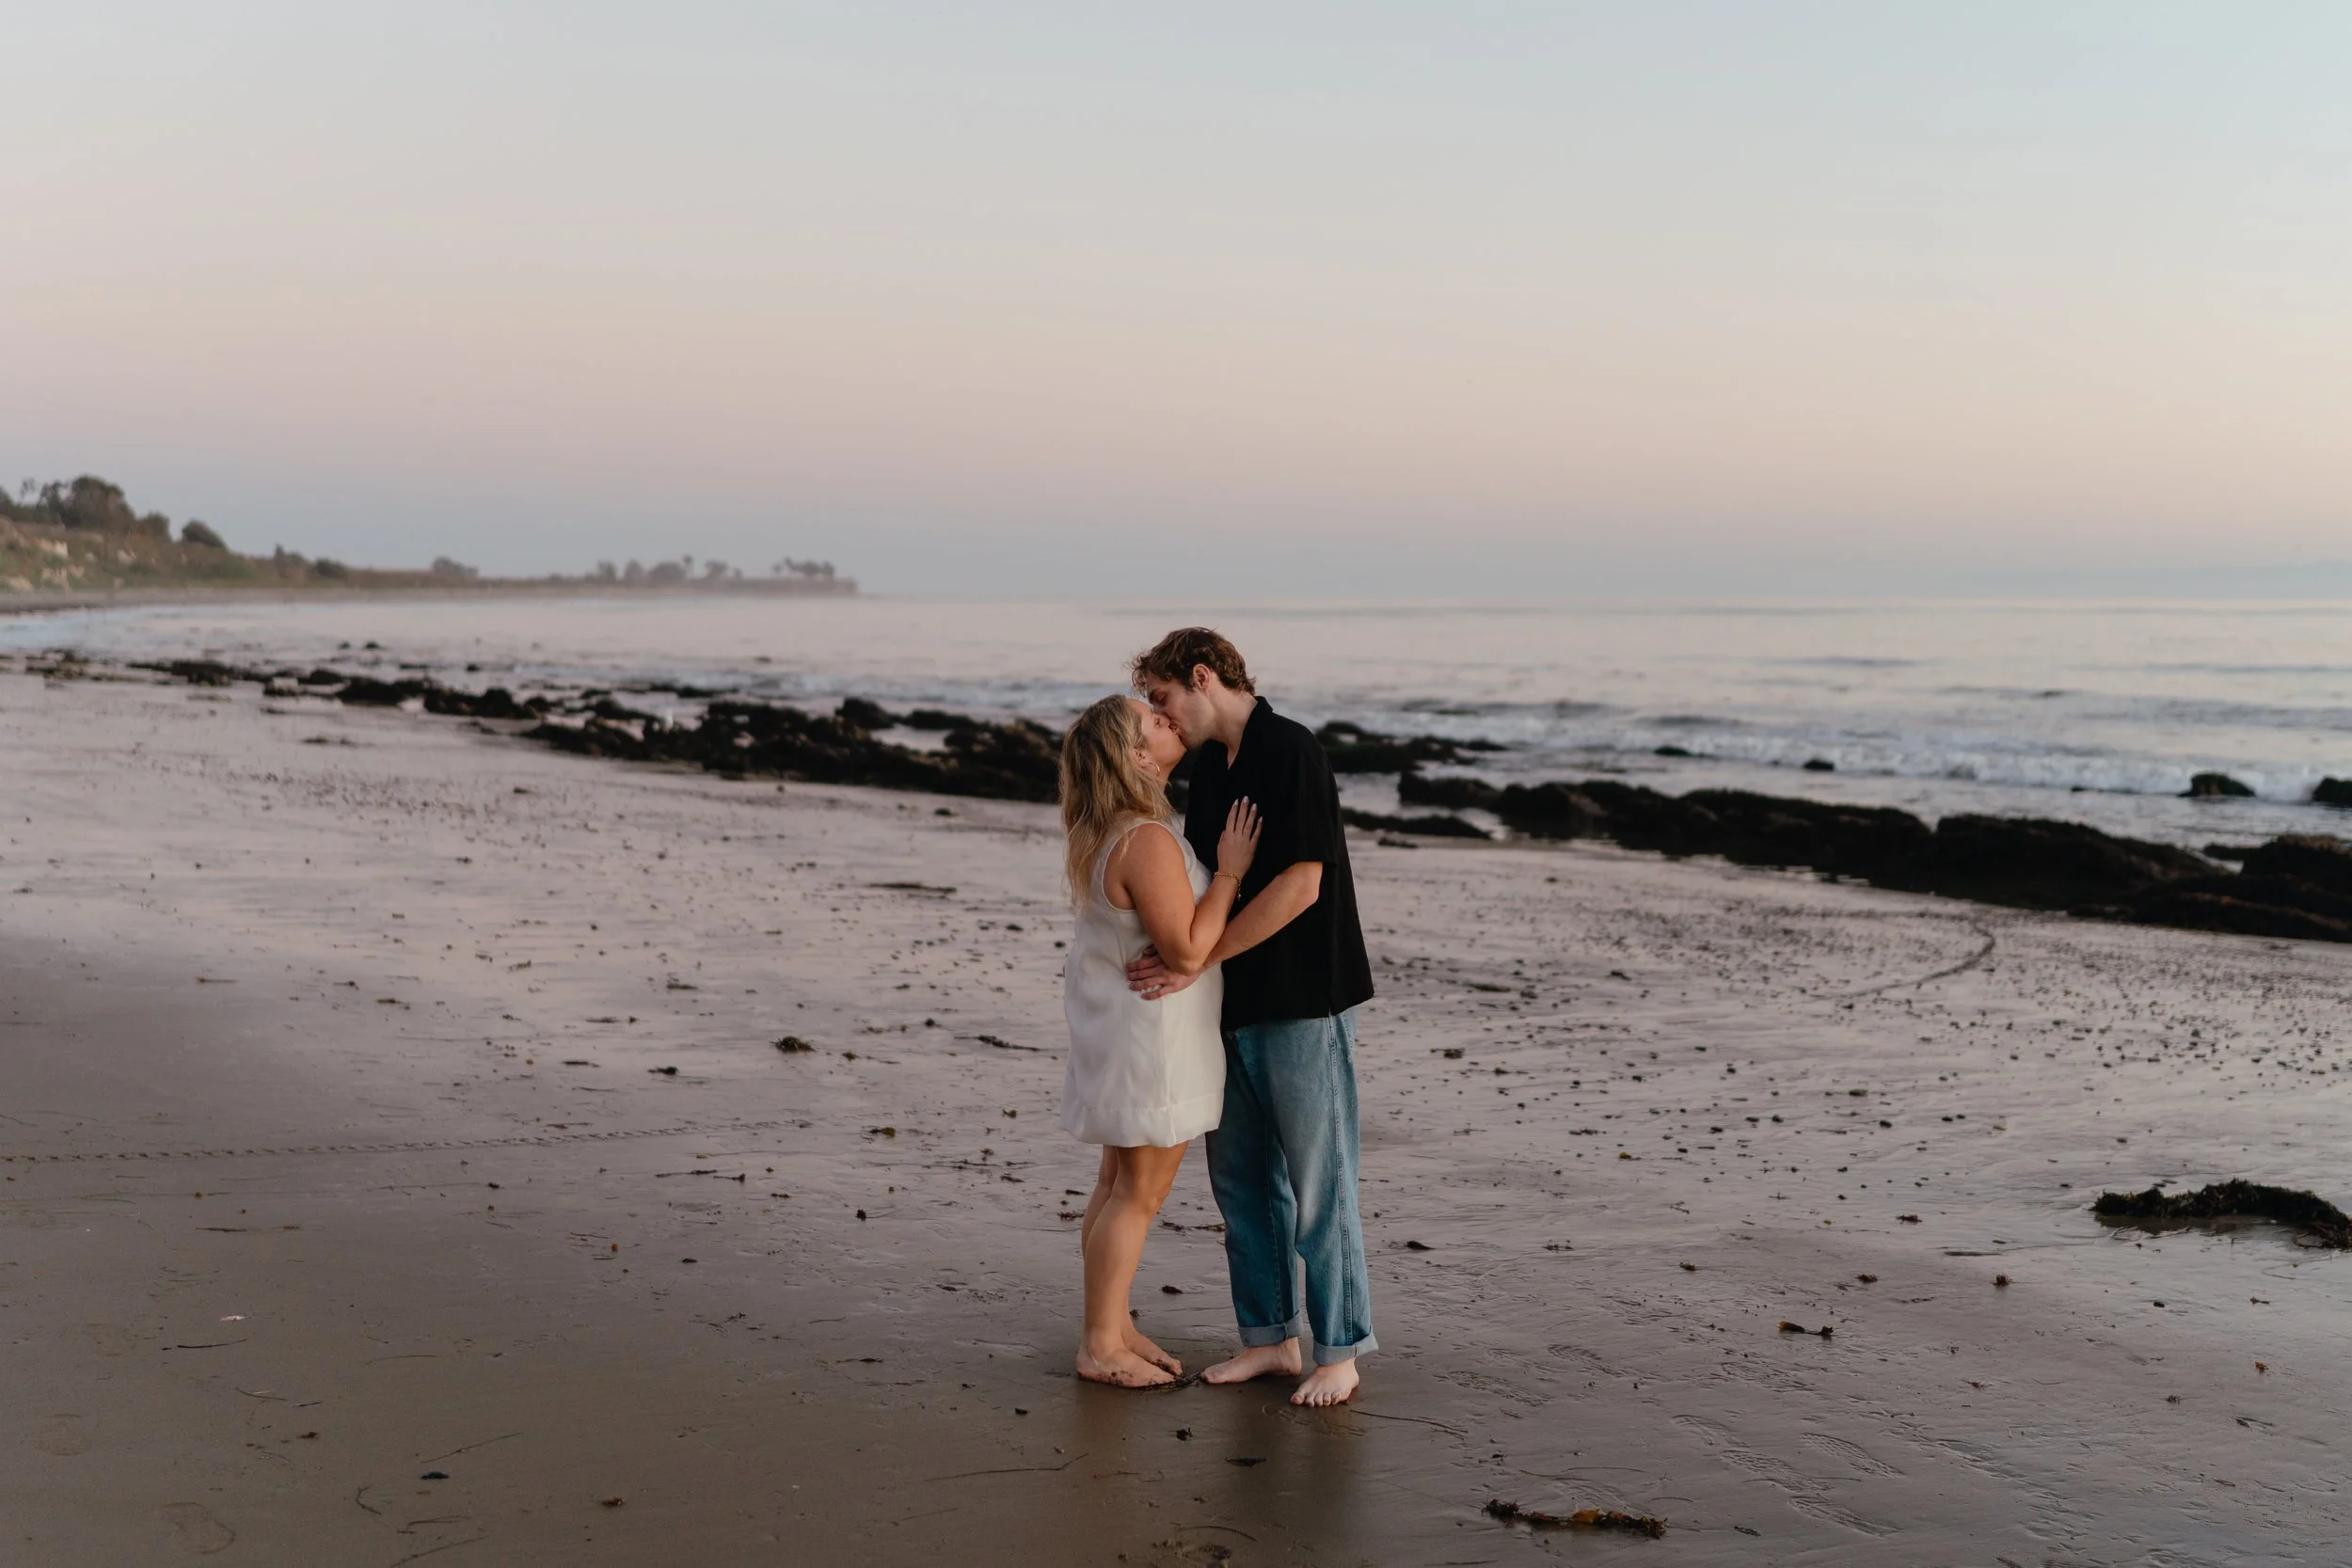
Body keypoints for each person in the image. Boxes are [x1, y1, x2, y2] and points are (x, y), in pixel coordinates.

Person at [1126, 628, 1376, 1407]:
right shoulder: (1207, 772)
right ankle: (1268, 1340)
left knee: (1318, 1182)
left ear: (1202, 676)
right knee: (1241, 1185)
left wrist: (1199, 957)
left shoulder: (1292, 751)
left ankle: (1339, 1351)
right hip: (1227, 1006)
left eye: (1165, 699)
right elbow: (1206, 883)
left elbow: (1301, 886)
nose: (1164, 718)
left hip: (1304, 1000)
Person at [1057, 694, 1261, 1388]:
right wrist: (1230, 871)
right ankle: (1099, 1345)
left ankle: (1111, 1326)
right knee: (1137, 1194)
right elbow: (1184, 948)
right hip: (1153, 1041)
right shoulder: (1144, 840)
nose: (1169, 720)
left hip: (1125, 1034)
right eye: (1153, 719)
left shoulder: (1112, 832)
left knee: (1118, 1183)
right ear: (1136, 756)